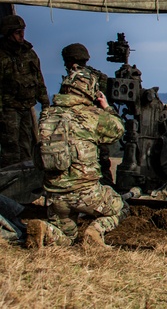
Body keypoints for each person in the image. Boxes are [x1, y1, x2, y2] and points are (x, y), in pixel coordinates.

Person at [25, 44, 127, 249]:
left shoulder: (47, 115)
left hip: (55, 196)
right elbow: (118, 130)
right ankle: (94, 232)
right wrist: (106, 108)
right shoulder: (91, 116)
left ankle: (48, 231)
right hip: (86, 193)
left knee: (67, 237)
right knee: (120, 207)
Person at [59, 44, 114, 185]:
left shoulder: (71, 81)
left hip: (83, 128)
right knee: (102, 162)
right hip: (96, 126)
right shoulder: (97, 77)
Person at [0, 14, 48, 167]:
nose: (22, 36)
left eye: (22, 31)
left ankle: (27, 182)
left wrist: (45, 102)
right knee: (10, 147)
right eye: (17, 32)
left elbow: (38, 79)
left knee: (26, 146)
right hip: (9, 109)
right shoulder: (2, 56)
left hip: (27, 107)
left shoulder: (29, 54)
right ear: (8, 33)